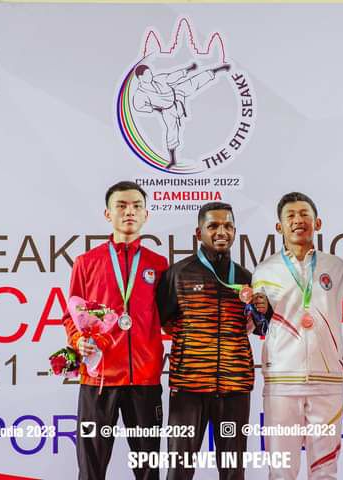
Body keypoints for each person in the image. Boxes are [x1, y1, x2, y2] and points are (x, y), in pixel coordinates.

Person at [62, 181, 168, 480]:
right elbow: (70, 315)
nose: (129, 211)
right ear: (108, 214)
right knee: (91, 469)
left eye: (136, 206)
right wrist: (78, 339)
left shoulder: (158, 264)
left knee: (148, 470)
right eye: (121, 205)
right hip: (98, 379)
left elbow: (169, 317)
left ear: (146, 214)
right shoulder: (86, 262)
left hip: (144, 379)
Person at [156, 201, 266, 480]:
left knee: (233, 470)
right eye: (213, 226)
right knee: (179, 469)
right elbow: (165, 322)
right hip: (189, 388)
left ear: (235, 231)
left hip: (235, 387)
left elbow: (260, 327)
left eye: (228, 226)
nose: (221, 232)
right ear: (199, 232)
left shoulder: (246, 278)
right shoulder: (178, 274)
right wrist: (196, 347)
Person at [251, 192, 343, 480]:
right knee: (281, 471)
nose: (298, 220)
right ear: (279, 227)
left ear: (317, 223)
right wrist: (258, 311)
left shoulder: (336, 267)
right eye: (290, 216)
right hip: (282, 383)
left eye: (304, 214)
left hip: (327, 382)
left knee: (325, 471)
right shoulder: (265, 270)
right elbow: (257, 324)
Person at [133, 62, 231, 169]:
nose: (150, 76)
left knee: (193, 82)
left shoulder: (159, 79)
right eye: (147, 75)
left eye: (150, 73)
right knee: (172, 132)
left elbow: (172, 77)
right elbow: (138, 106)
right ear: (140, 77)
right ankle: (173, 160)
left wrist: (188, 69)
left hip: (176, 95)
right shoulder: (140, 94)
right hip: (167, 110)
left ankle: (219, 69)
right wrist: (155, 109)